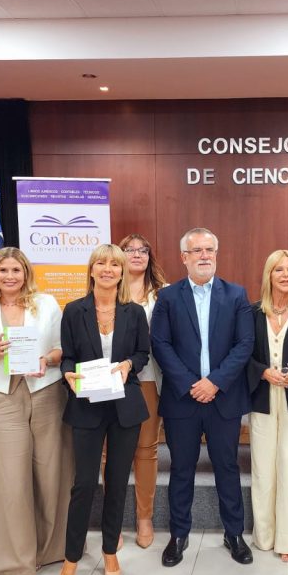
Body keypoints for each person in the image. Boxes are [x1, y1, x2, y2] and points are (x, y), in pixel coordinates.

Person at [151, 228, 255, 567]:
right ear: (184, 257)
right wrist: (191, 384)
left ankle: (234, 533)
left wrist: (214, 382)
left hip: (223, 397)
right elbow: (161, 345)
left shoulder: (236, 294)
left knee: (227, 466)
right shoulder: (167, 298)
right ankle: (179, 533)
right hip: (183, 399)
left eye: (209, 249)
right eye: (196, 250)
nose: (204, 255)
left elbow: (244, 345)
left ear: (216, 253)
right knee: (181, 468)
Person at [0, 247, 73, 575]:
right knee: (9, 479)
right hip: (4, 396)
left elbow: (61, 348)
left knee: (51, 473)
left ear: (26, 273)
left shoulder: (45, 304)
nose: (10, 276)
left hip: (46, 393)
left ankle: (52, 549)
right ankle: (15, 559)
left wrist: (47, 359)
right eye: (3, 271)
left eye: (16, 270)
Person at [58, 244, 150, 575]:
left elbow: (142, 353)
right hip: (87, 405)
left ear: (122, 271)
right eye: (102, 263)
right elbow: (67, 357)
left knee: (116, 482)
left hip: (124, 408)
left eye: (115, 264)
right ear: (92, 270)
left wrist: (128, 365)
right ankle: (71, 559)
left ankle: (110, 551)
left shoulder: (134, 312)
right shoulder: (74, 310)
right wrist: (68, 375)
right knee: (83, 484)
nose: (108, 269)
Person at [247, 250, 288, 562]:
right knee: (262, 468)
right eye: (279, 270)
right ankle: (265, 535)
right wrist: (262, 370)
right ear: (268, 275)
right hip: (262, 397)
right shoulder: (252, 313)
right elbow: (242, 353)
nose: (286, 275)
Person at [115, 233, 168, 548]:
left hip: (148, 378)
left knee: (146, 450)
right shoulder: (106, 291)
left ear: (150, 256)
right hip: (111, 381)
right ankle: (115, 520)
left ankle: (144, 517)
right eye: (129, 250)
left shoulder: (163, 295)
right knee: (112, 452)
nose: (136, 254)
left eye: (143, 250)